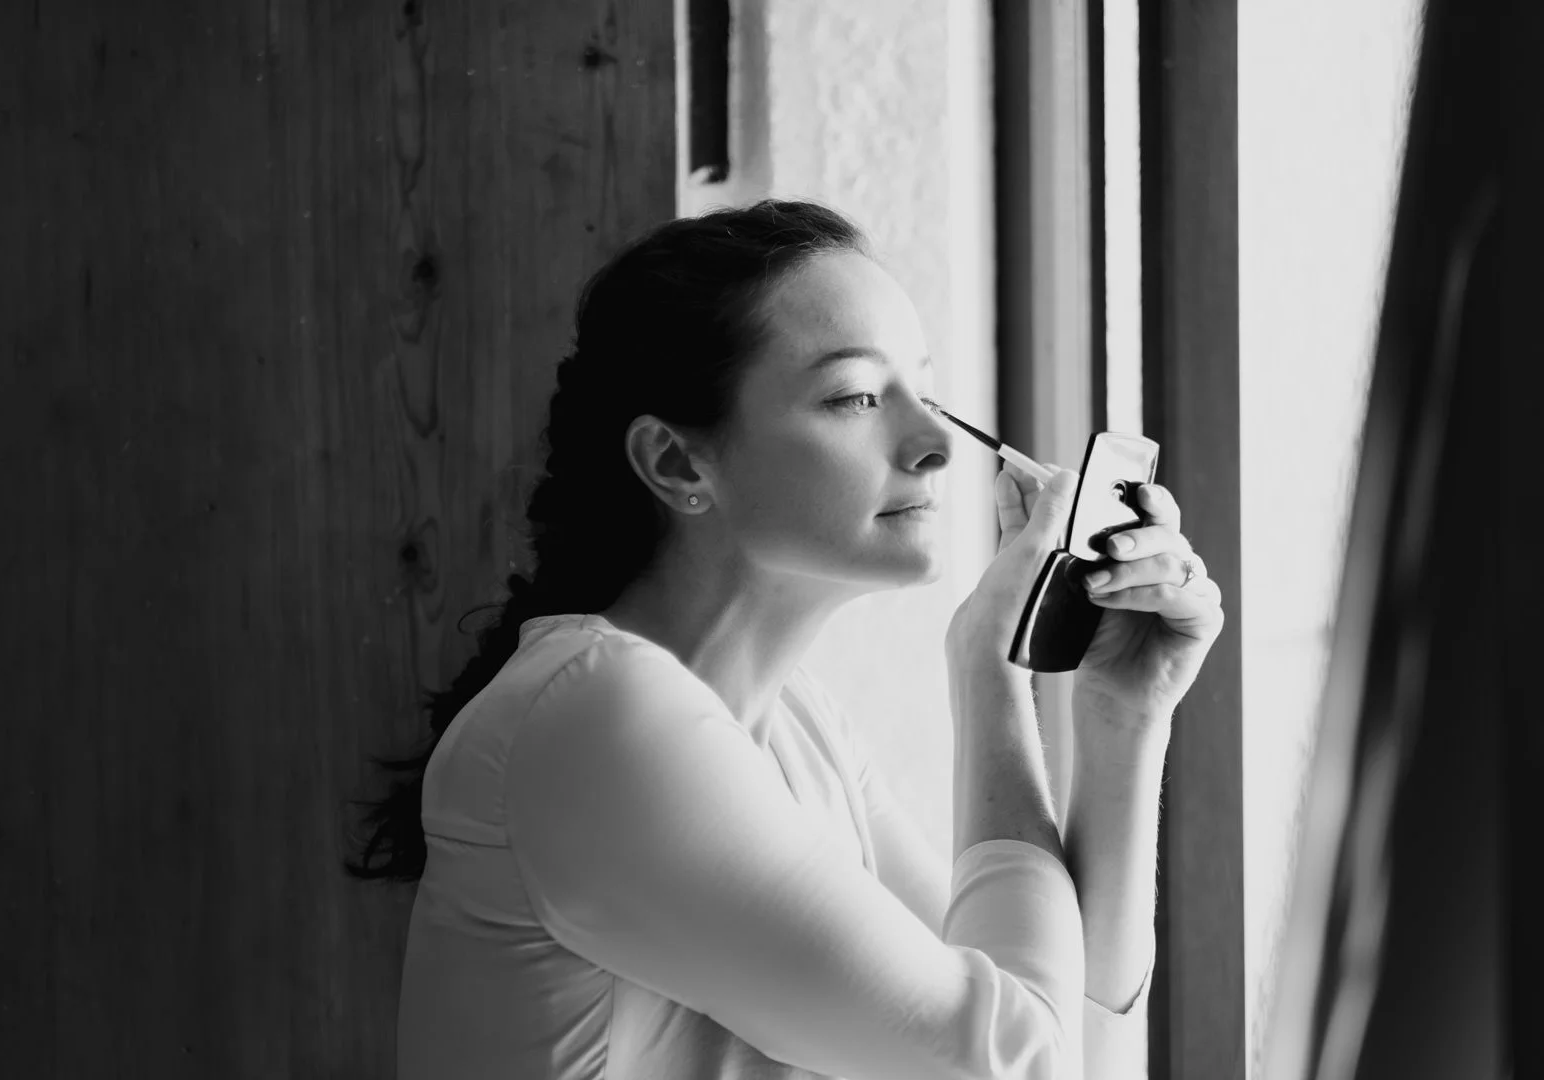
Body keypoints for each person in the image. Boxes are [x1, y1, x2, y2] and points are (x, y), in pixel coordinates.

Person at [349, 200, 1224, 1079]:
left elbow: (1070, 1030)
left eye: (927, 393)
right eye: (855, 397)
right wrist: (989, 670)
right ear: (676, 463)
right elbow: (1017, 1066)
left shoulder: (797, 725)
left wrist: (1122, 715)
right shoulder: (597, 716)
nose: (934, 446)